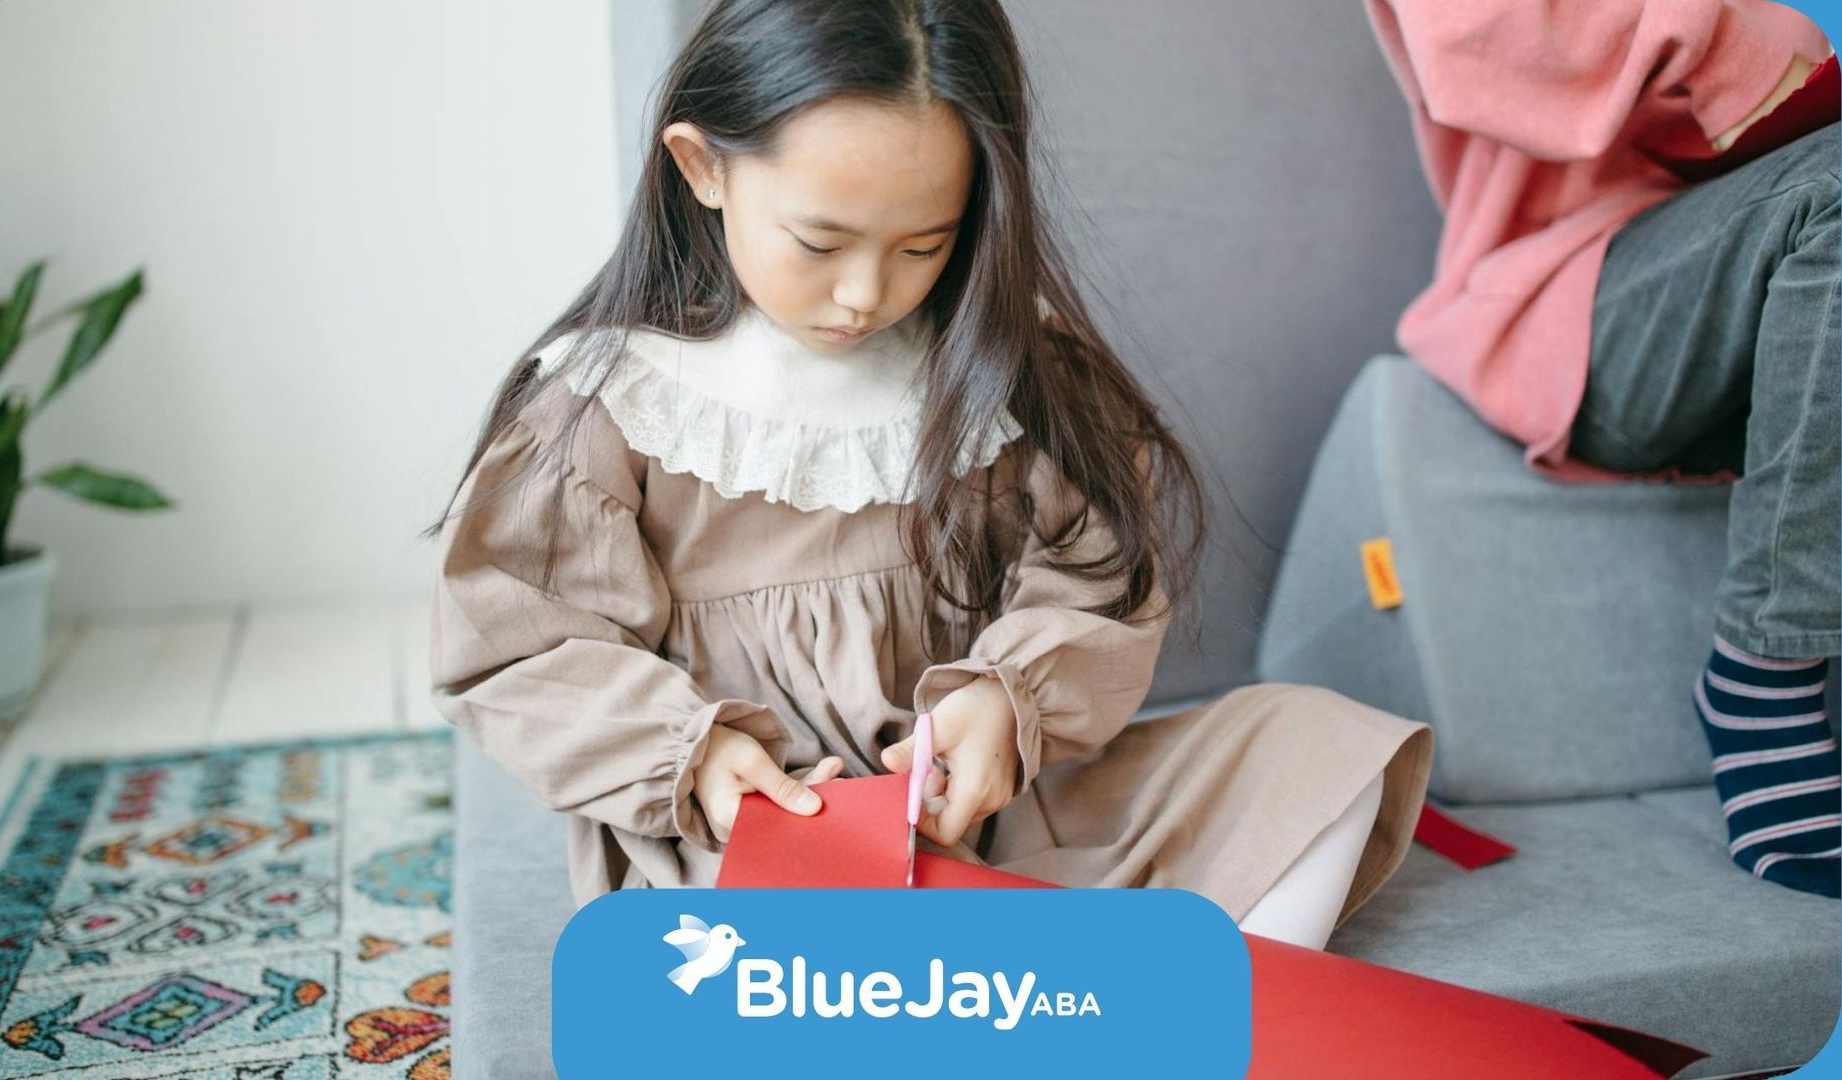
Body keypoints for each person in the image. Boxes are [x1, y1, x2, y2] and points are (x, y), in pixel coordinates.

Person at [425, 0, 1432, 951]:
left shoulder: (1003, 372)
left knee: (1318, 751)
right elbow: (525, 648)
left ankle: (1203, 1008)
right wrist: (694, 757)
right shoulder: (618, 402)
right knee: (777, 942)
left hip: (999, 822)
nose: (865, 293)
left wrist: (1006, 699)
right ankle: (1015, 994)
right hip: (751, 847)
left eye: (923, 245)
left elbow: (1091, 578)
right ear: (703, 168)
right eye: (819, 242)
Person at [1364, 0, 1839, 896]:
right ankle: (1763, 676)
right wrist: (1746, 46)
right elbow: (1475, 37)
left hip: (1753, 264)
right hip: (1579, 286)